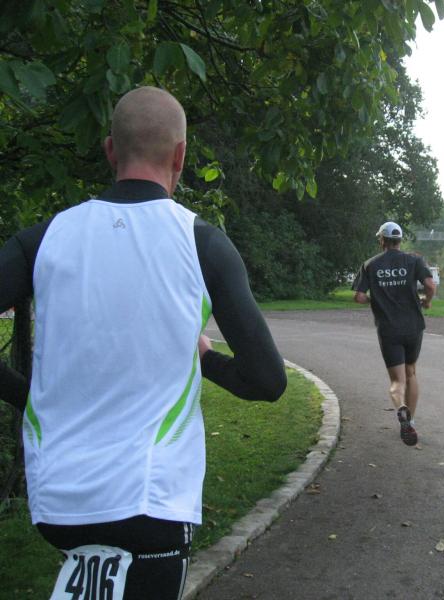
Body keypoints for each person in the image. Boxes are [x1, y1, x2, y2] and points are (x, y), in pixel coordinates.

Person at [0, 86, 287, 599]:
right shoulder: (203, 244)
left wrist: (31, 399)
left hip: (58, 503)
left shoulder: (43, 239)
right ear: (180, 156)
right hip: (152, 502)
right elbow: (267, 381)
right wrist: (206, 358)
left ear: (111, 150)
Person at [352, 221, 436, 446]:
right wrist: (427, 301)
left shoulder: (370, 264)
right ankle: (411, 421)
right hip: (413, 326)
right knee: (411, 373)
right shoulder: (414, 260)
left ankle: (401, 408)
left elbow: (359, 296)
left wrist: (374, 299)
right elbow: (430, 285)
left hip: (389, 328)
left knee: (397, 381)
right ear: (399, 240)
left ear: (382, 240)